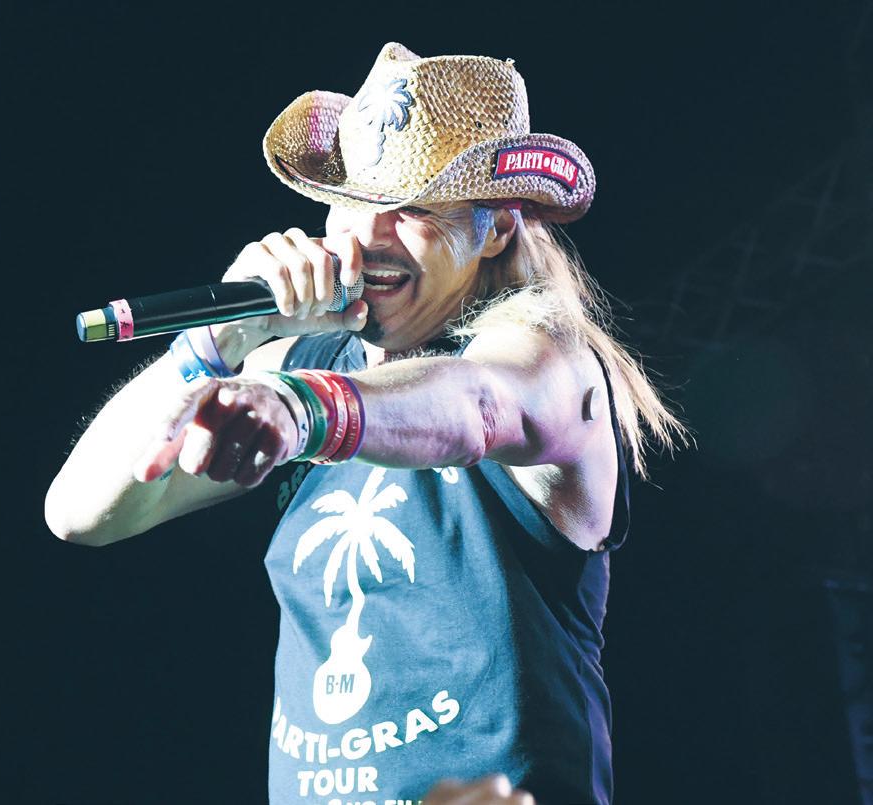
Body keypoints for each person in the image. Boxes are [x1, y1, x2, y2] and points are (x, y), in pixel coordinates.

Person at [46, 43, 690, 805]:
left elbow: (476, 404)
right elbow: (79, 512)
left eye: (414, 208)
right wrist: (218, 341)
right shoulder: (300, 360)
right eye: (353, 200)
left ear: (494, 228)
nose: (372, 233)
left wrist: (301, 408)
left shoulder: (549, 359)